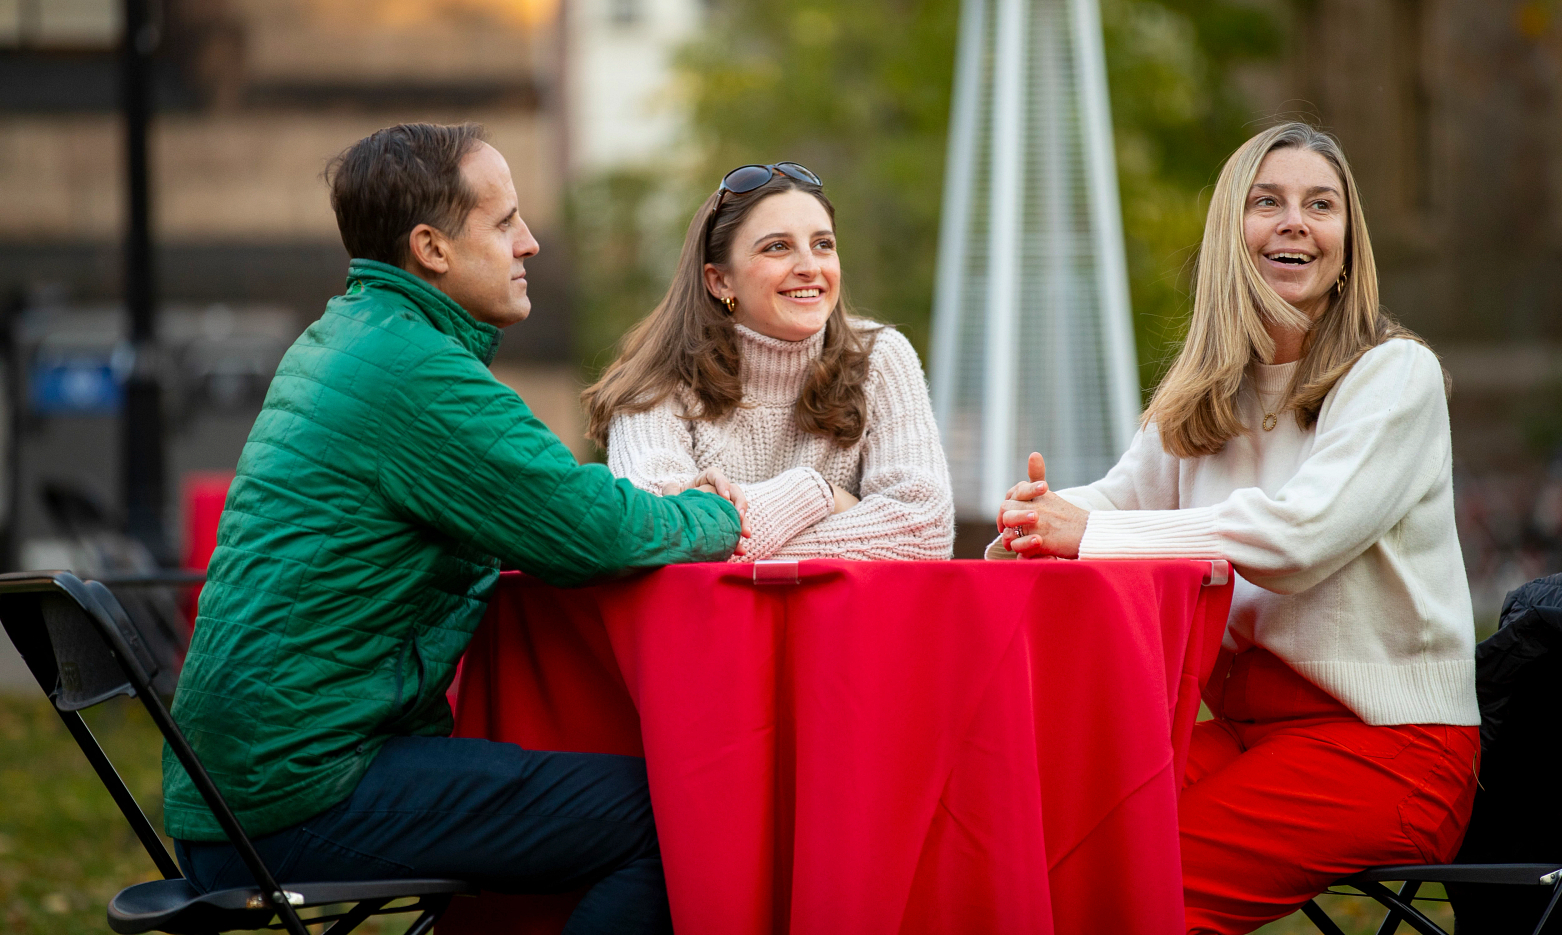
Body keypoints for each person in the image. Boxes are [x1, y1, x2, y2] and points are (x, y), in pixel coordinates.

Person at [161, 123, 744, 934]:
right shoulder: (414, 372)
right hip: (294, 799)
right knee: (672, 823)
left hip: (238, 787)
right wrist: (719, 513)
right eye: (504, 222)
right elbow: (593, 530)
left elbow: (545, 508)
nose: (531, 243)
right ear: (431, 248)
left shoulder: (348, 338)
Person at [990, 122, 1479, 934]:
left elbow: (1298, 538)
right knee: (1042, 842)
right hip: (1245, 732)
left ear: (1346, 242)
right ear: (1232, 233)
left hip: (1389, 748)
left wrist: (1090, 534)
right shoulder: (1203, 392)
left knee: (1132, 889)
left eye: (1320, 205)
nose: (1295, 221)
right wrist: (1030, 523)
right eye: (1269, 202)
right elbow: (1117, 505)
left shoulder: (1393, 375)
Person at [584, 162, 953, 561]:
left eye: (823, 244)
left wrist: (743, 526)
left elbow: (926, 533)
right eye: (777, 246)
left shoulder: (880, 359)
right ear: (719, 281)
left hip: (840, 623)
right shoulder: (656, 378)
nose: (810, 267)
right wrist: (816, 495)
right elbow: (663, 540)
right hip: (713, 624)